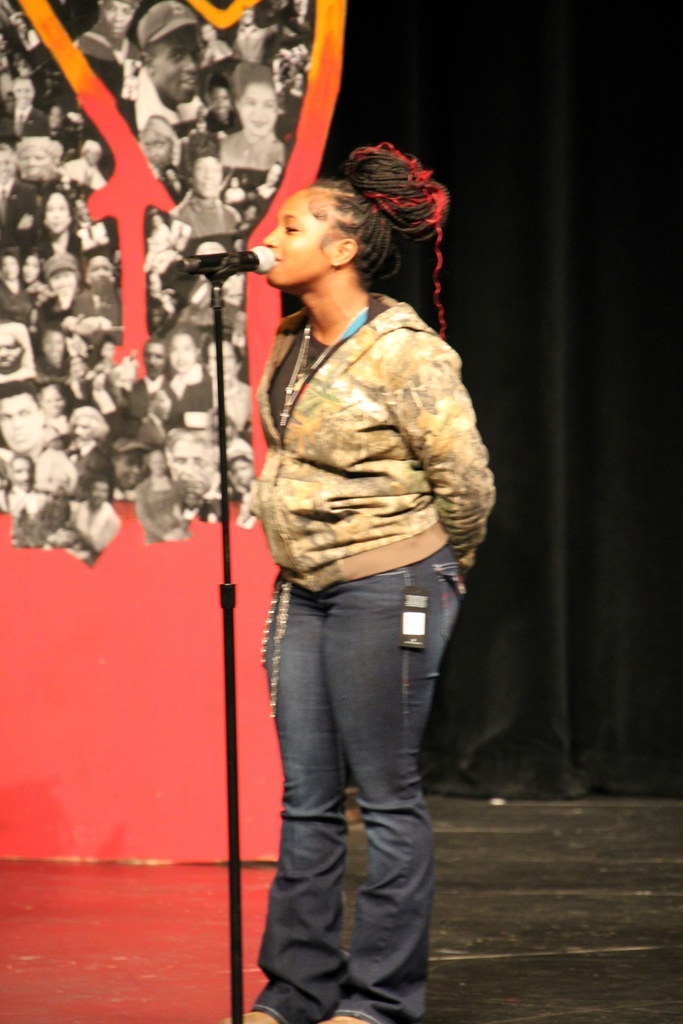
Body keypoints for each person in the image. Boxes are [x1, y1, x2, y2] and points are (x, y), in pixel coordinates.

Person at [222, 143, 496, 1024]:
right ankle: (294, 993)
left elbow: (467, 483)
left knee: (384, 797)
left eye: (291, 225)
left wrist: (437, 573)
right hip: (304, 587)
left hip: (390, 584)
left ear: (342, 249)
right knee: (304, 801)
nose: (273, 237)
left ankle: (377, 1003)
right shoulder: (294, 335)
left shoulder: (407, 352)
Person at [134, 0, 203, 134]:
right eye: (177, 56)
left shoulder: (193, 102)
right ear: (148, 63)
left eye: (195, 53)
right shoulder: (133, 122)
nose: (193, 66)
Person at [218, 62, 286, 174]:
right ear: (238, 105)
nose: (259, 114)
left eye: (268, 105)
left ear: (277, 109)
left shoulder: (287, 151)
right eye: (251, 103)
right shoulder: (225, 146)